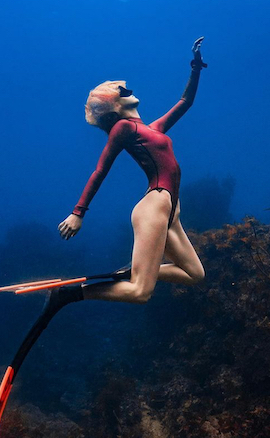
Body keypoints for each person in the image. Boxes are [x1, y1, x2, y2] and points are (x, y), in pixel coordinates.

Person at [43, 37, 207, 318]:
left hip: (170, 211)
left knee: (194, 274)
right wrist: (77, 213)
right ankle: (70, 295)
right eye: (122, 91)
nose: (128, 90)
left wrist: (195, 66)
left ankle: (137, 267)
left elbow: (185, 101)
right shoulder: (123, 128)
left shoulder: (152, 129)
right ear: (114, 106)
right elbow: (101, 169)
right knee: (140, 292)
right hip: (154, 206)